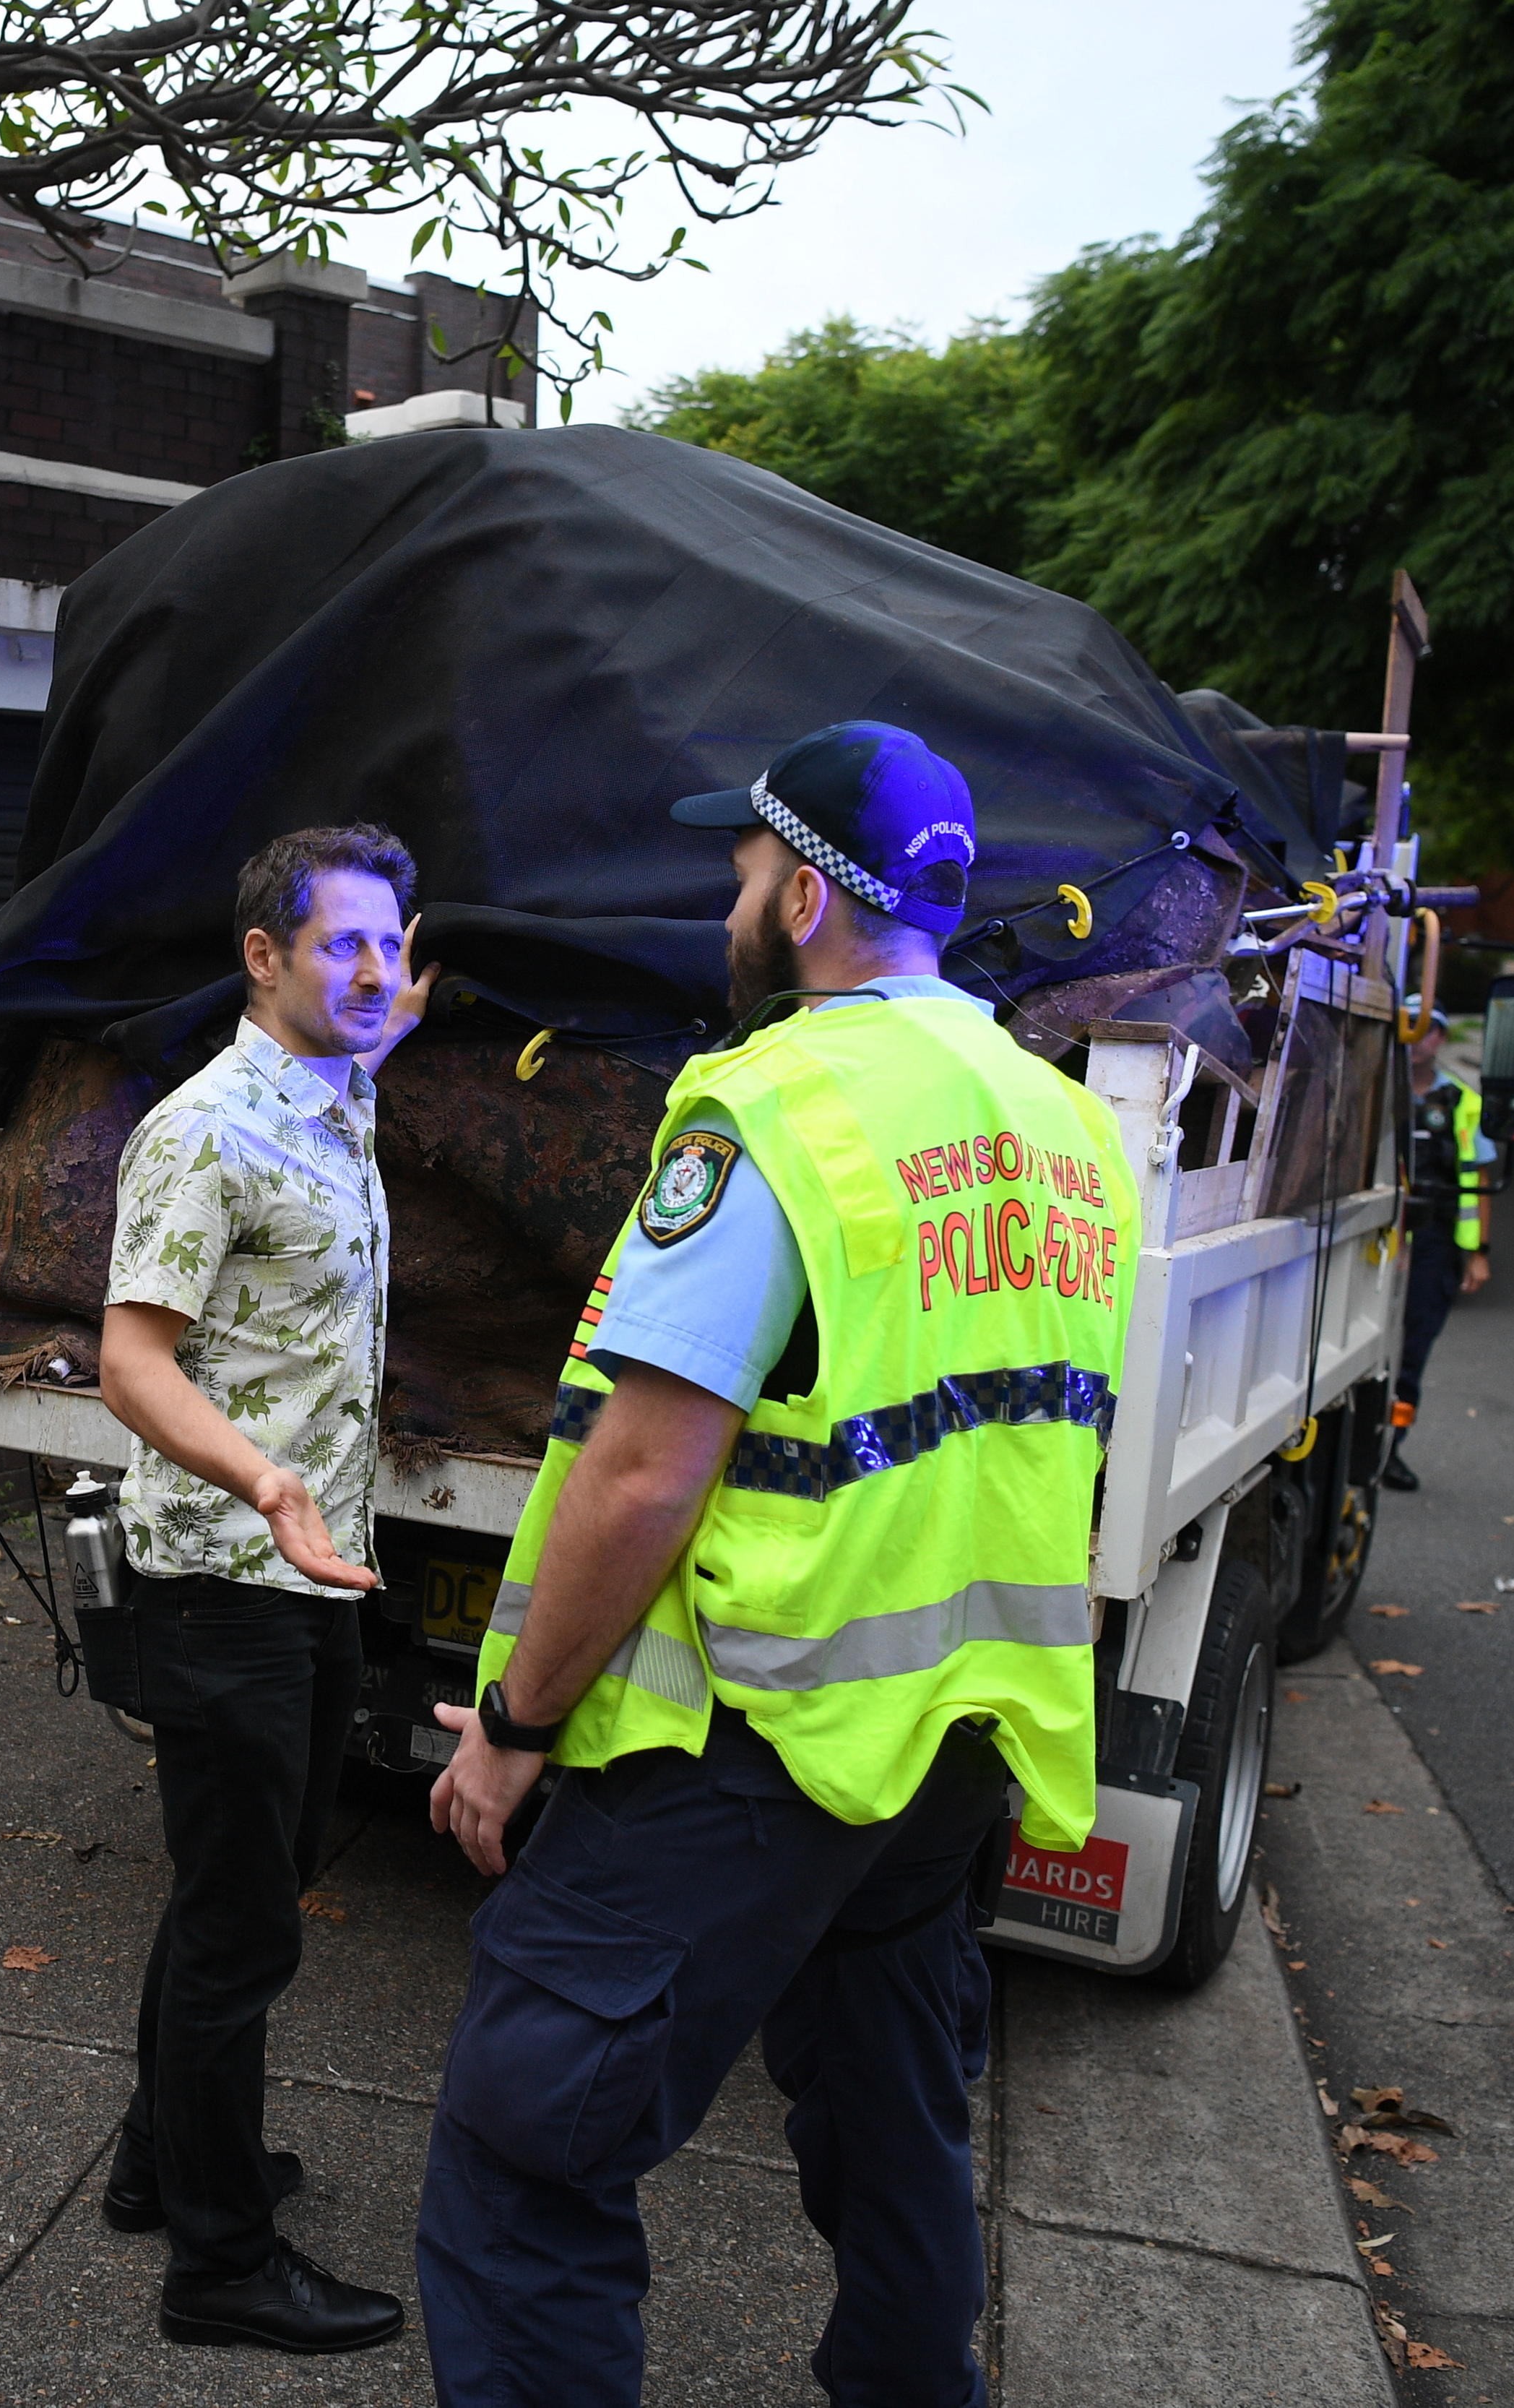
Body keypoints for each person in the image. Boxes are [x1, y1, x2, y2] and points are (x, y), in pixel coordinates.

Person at [414, 722, 1140, 2408]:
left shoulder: (772, 1112)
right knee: (895, 2133)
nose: (726, 905)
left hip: (758, 1737)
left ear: (804, 898)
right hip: (945, 1739)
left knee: (527, 2147)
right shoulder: (1061, 1123)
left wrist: (512, 1729)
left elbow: (644, 1471)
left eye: (741, 872)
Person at [92, 823, 439, 2355]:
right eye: (340, 942)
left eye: (389, 943)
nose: (372, 969)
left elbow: (359, 1028)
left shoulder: (333, 1092)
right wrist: (267, 1481)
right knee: (242, 1931)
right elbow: (132, 1361)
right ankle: (219, 2264)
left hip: (308, 1581)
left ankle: (157, 2161)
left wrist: (382, 1017)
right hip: (227, 1576)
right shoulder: (208, 1130)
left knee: (238, 1893)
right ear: (260, 956)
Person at [1382, 1009, 1492, 1491]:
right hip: (1380, 1235)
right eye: (1407, 1024)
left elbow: (1478, 1178)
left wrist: (1479, 1251)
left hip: (1436, 1242)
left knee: (1413, 1351)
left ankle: (1392, 1447)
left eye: (1426, 1027)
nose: (1416, 1037)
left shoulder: (1463, 1101)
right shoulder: (1380, 1092)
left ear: (1442, 1037)